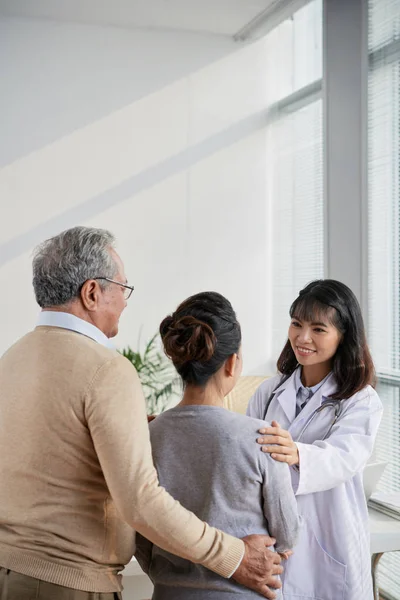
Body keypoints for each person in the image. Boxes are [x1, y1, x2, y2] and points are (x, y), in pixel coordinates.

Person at [0, 227, 283, 600]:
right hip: (67, 584)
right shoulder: (106, 369)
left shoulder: (12, 358)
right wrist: (235, 557)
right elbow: (140, 501)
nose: (126, 300)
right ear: (91, 292)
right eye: (122, 287)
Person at [135, 291, 299, 600]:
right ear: (232, 363)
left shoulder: (147, 435)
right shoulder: (262, 437)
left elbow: (140, 537)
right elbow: (287, 534)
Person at [247, 279, 383, 600]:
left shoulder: (360, 400)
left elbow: (343, 459)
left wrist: (296, 453)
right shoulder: (269, 392)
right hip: (274, 541)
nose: (302, 337)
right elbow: (248, 466)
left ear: (344, 335)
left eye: (319, 329)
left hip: (330, 538)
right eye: (296, 324)